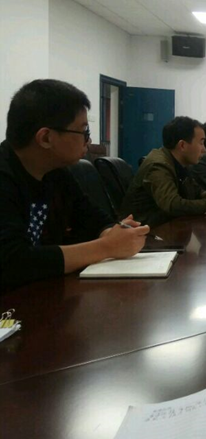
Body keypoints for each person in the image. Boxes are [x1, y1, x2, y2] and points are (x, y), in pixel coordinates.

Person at [0, 79, 150, 290]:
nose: (88, 141)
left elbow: (93, 218)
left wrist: (114, 234)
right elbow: (12, 263)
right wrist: (106, 247)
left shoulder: (56, 172)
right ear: (46, 138)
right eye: (83, 132)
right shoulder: (5, 176)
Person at [119, 116, 206, 227]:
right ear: (182, 145)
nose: (204, 149)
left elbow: (198, 193)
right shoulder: (159, 165)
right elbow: (173, 204)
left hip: (167, 226)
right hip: (145, 231)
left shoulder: (182, 163)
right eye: (201, 143)